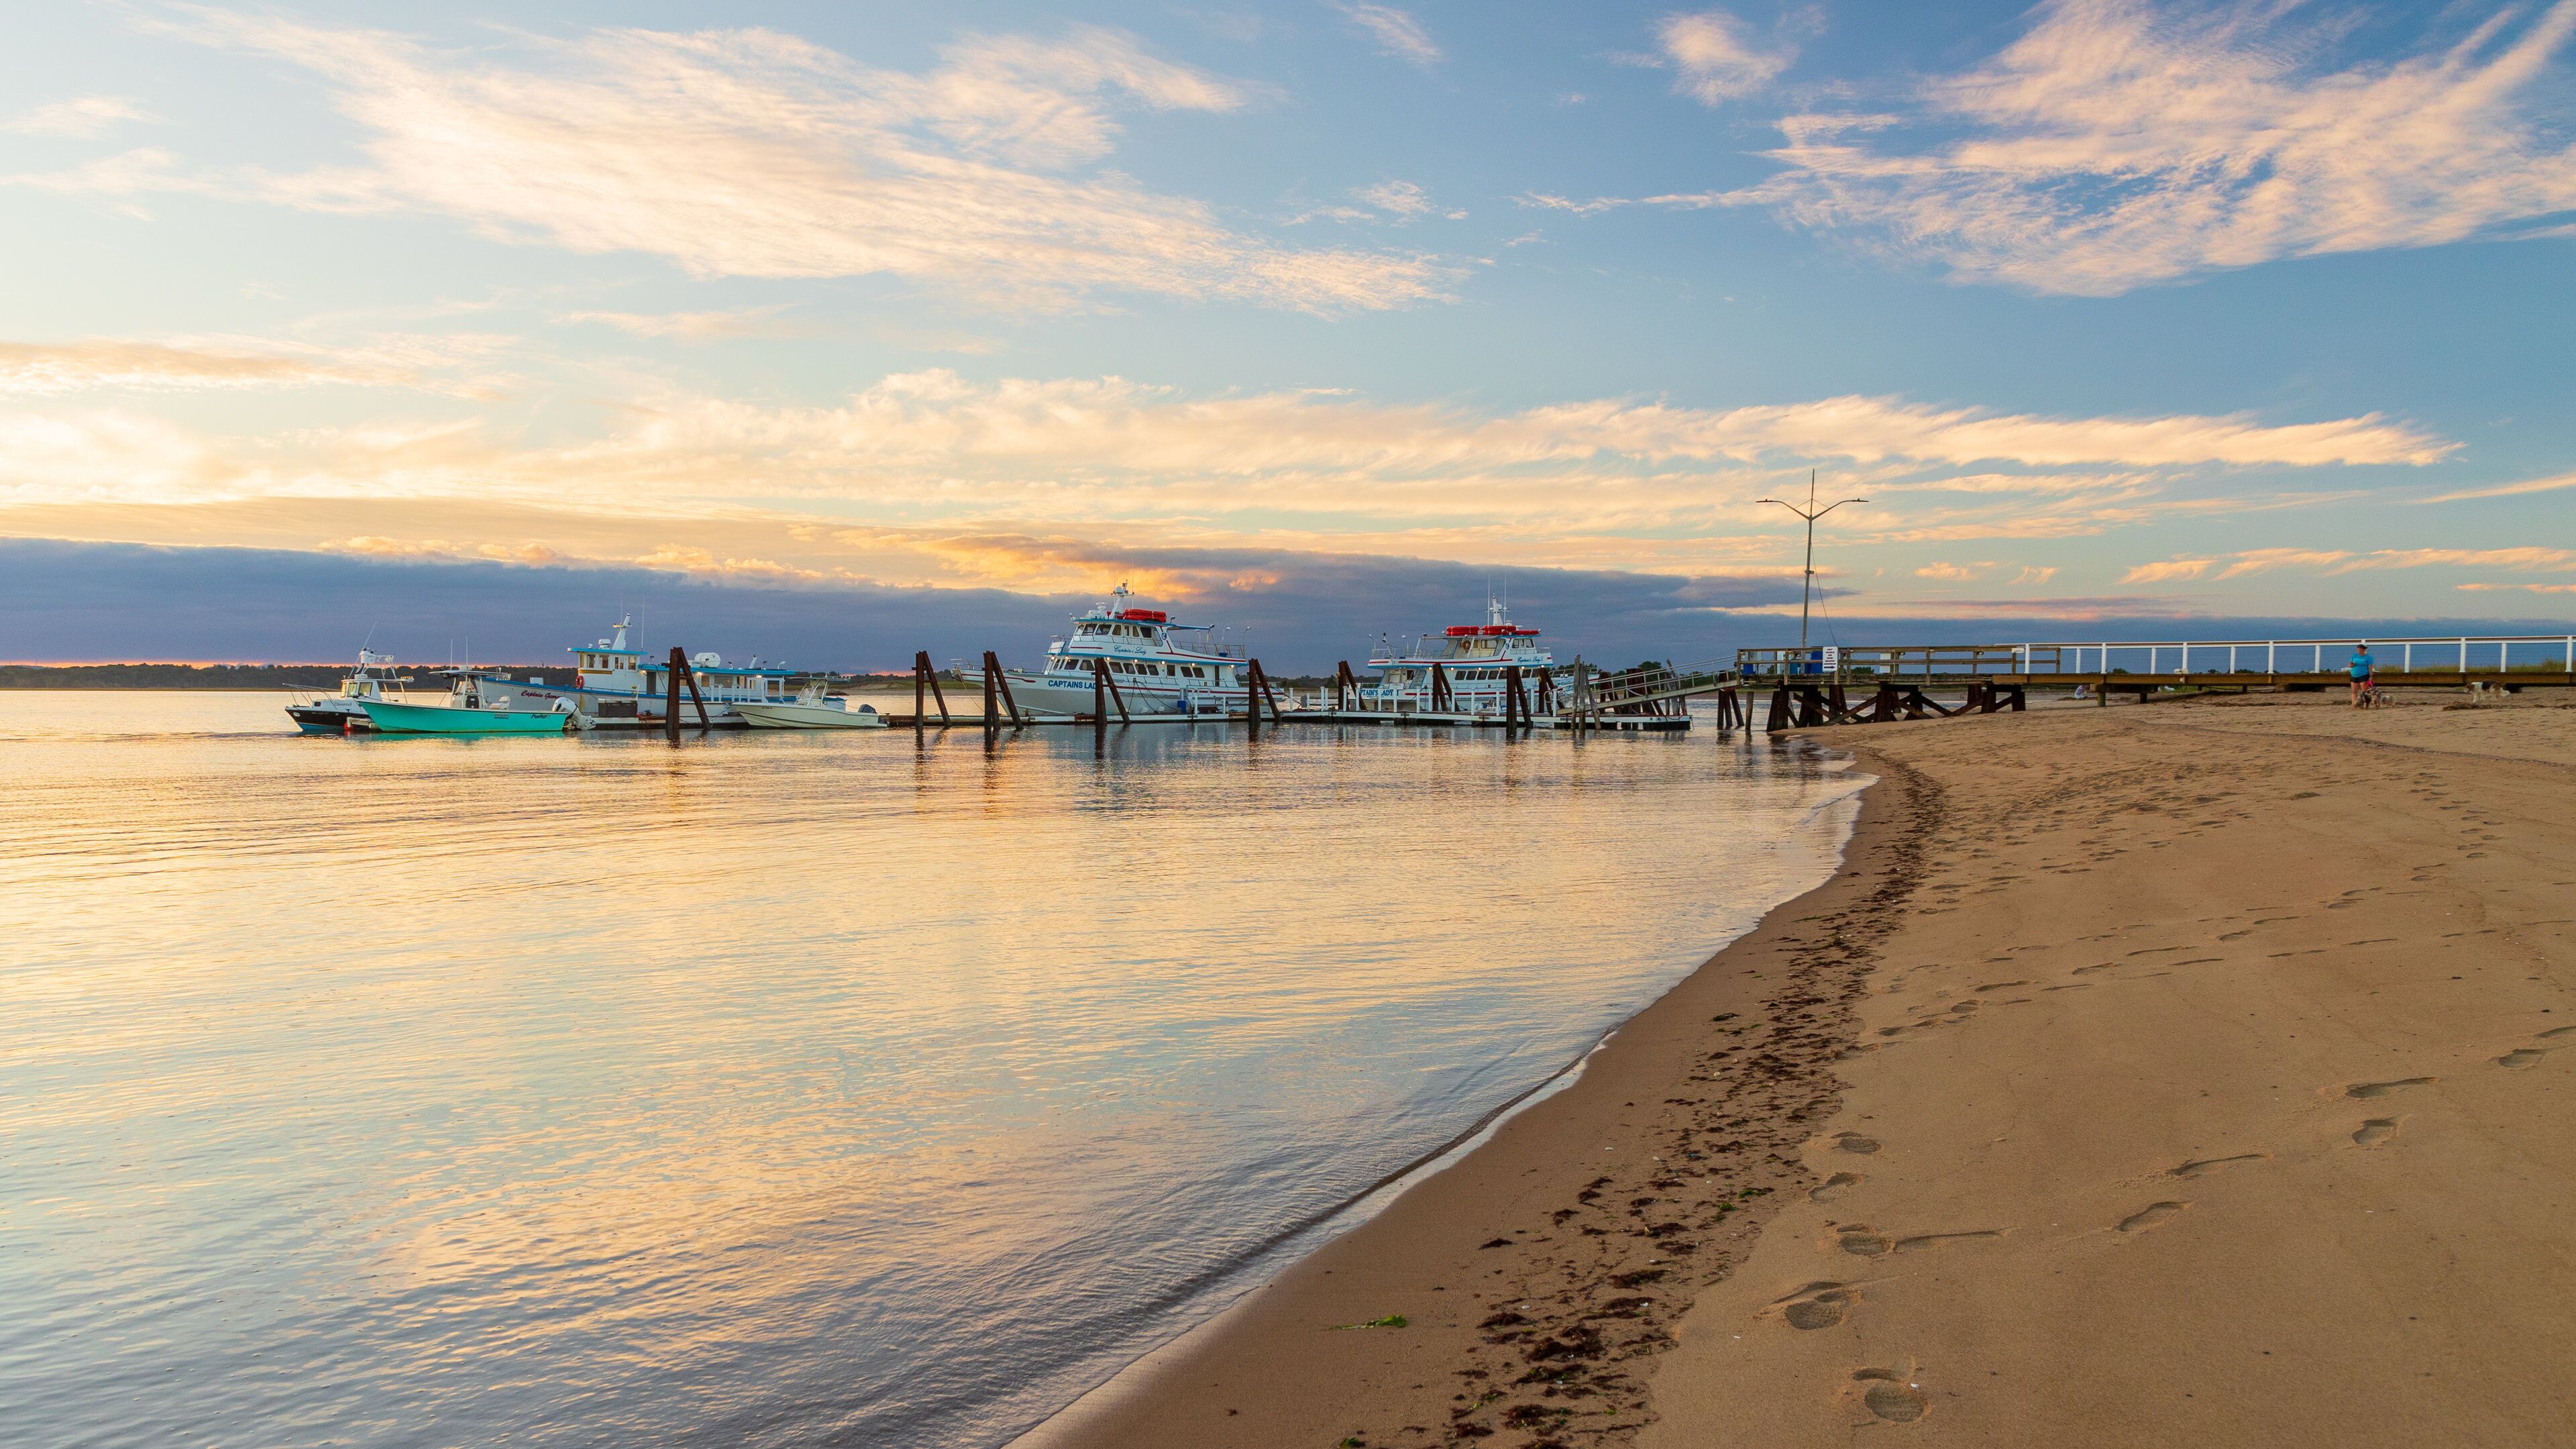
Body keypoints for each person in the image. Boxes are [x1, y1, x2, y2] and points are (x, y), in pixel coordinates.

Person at [2349, 642, 2375, 706]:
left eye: (2360, 650)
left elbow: (2370, 667)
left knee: (2364, 691)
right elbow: (2350, 665)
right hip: (2354, 675)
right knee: (2354, 691)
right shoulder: (2354, 656)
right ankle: (2354, 704)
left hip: (2364, 675)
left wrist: (2371, 676)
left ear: (2364, 650)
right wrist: (2351, 665)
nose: (2359, 652)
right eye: (2358, 650)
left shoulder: (2369, 657)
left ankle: (2365, 704)